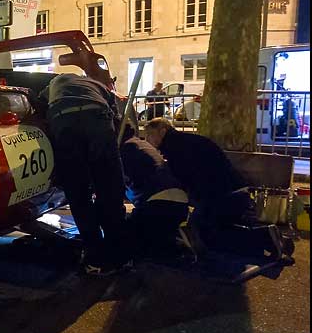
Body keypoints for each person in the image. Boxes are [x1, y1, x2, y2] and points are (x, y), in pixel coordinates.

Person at [39, 73, 132, 276]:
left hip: (64, 122)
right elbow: (115, 112)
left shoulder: (52, 86)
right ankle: (119, 256)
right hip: (97, 120)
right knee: (110, 189)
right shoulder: (96, 84)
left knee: (79, 194)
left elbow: (39, 105)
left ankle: (95, 256)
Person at [143, 118, 254, 246]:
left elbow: (184, 176)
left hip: (219, 194)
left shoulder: (174, 147)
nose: (147, 140)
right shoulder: (187, 141)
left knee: (202, 233)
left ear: (162, 132)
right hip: (230, 189)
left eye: (150, 135)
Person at [119, 125, 189, 258]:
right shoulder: (140, 144)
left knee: (123, 238)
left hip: (158, 204)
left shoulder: (126, 150)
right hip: (178, 202)